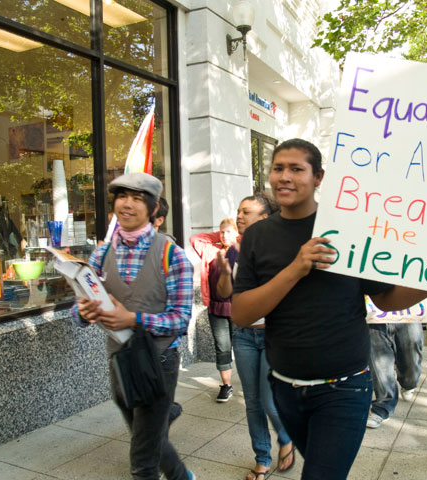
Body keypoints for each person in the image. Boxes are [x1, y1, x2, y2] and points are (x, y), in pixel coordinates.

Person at [231, 138, 427, 479]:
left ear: (318, 177)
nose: (284, 176)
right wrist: (296, 267)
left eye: (296, 169)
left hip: (344, 388)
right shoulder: (257, 236)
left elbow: (386, 299)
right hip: (285, 387)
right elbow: (241, 313)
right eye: (278, 168)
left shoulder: (347, 229)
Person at [71, 172, 195, 480]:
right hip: (120, 356)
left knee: (142, 461)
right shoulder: (102, 253)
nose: (127, 204)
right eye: (122, 197)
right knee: (149, 436)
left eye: (138, 199)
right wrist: (85, 312)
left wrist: (134, 319)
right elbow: (77, 310)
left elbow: (181, 319)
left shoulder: (172, 255)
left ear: (153, 210)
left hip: (159, 359)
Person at [216, 193, 295, 480]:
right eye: (238, 210)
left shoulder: (280, 250)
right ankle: (262, 458)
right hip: (243, 336)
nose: (239, 216)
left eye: (246, 212)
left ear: (264, 218)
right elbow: (226, 293)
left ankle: (286, 437)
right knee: (252, 401)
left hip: (272, 335)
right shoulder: (236, 250)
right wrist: (225, 272)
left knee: (268, 397)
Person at [190, 218, 239, 402]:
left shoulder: (241, 250)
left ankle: (249, 382)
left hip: (238, 307)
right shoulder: (211, 250)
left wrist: (236, 238)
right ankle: (226, 386)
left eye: (228, 231)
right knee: (222, 348)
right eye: (222, 231)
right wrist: (219, 237)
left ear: (236, 232)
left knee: (242, 347)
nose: (224, 235)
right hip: (216, 308)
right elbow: (195, 238)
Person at [366, 320, 423, 429]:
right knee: (378, 355)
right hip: (376, 313)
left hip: (407, 311)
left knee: (411, 348)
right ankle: (383, 406)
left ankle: (409, 383)